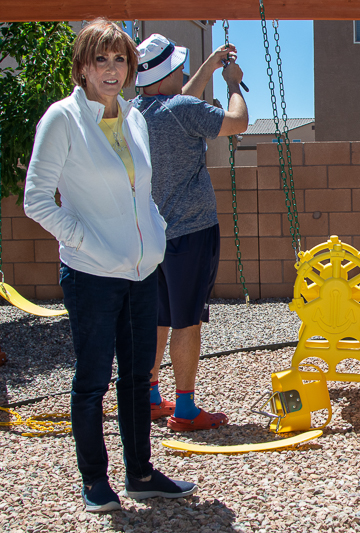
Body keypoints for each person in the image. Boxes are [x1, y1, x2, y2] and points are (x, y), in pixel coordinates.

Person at [23, 19, 197, 512]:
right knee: (93, 381)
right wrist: (86, 242)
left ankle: (140, 474)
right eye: (100, 59)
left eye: (120, 59)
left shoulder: (135, 118)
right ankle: (95, 481)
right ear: (82, 67)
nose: (111, 69)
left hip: (140, 273)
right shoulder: (62, 119)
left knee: (138, 378)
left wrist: (155, 233)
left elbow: (141, 192)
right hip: (91, 275)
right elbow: (36, 200)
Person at [132, 34, 249, 431]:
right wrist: (233, 83)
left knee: (158, 318)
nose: (184, 72)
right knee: (186, 321)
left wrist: (209, 65)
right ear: (167, 74)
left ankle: (150, 397)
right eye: (180, 68)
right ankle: (184, 410)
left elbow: (177, 98)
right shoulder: (183, 109)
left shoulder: (136, 111)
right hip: (191, 232)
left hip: (150, 235)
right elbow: (238, 122)